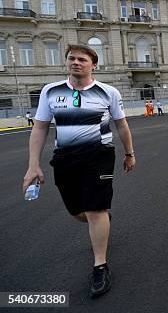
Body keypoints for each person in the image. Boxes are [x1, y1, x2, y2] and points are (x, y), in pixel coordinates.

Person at [22, 44, 135, 298]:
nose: (76, 63)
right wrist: (33, 165)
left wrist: (130, 154)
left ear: (93, 64)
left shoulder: (108, 92)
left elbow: (122, 125)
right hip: (65, 158)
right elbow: (39, 129)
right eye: (71, 58)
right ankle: (103, 221)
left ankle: (100, 266)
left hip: (99, 155)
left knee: (95, 208)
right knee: (77, 212)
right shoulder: (50, 92)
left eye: (82, 59)